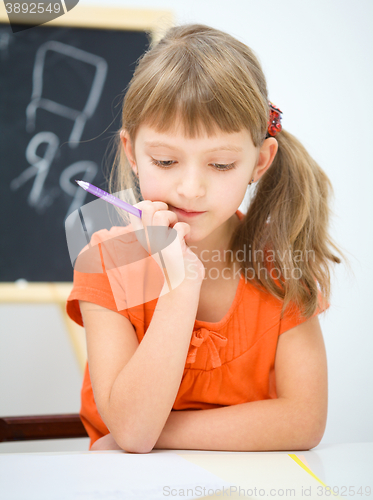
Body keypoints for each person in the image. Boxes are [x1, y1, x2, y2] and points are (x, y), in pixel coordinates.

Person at [66, 23, 347, 453]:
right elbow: (133, 431)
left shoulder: (280, 263)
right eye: (165, 160)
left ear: (260, 161)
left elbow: (304, 420)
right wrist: (180, 289)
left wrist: (162, 435)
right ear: (132, 154)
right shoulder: (106, 262)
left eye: (220, 165)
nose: (191, 189)